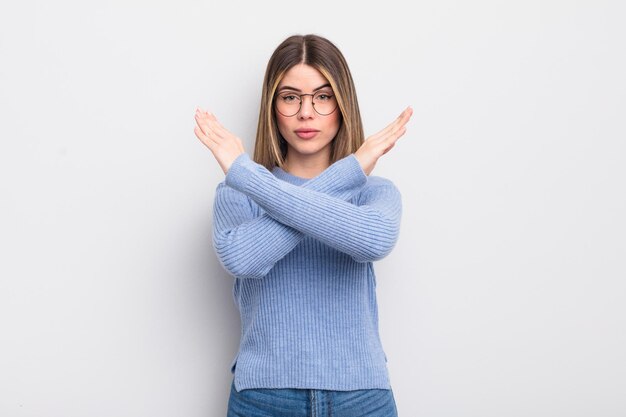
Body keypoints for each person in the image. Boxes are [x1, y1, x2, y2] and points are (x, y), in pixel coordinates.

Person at [193, 34, 412, 417]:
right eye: (290, 97)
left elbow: (374, 241)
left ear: (342, 105)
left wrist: (246, 172)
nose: (306, 113)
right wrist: (350, 170)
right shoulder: (238, 194)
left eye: (323, 97)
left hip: (361, 398)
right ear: (273, 107)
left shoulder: (374, 192)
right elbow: (244, 259)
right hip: (264, 398)